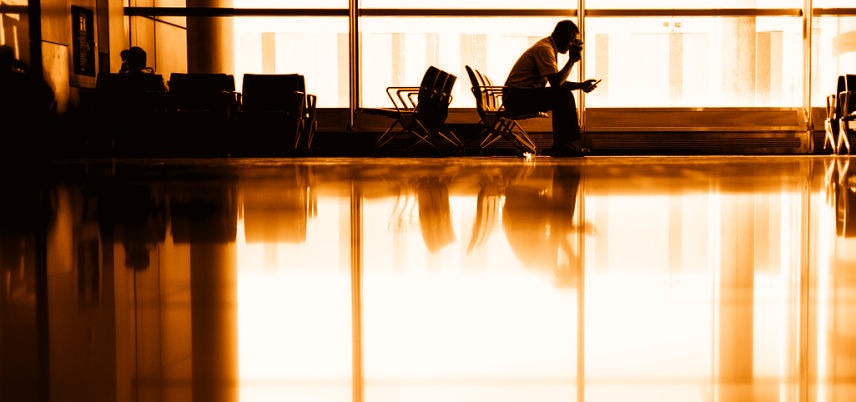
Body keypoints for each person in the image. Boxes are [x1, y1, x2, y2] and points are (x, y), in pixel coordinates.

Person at [503, 20, 599, 157]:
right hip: (516, 97)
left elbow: (557, 83)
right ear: (561, 37)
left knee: (562, 95)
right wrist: (571, 60)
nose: (572, 44)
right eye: (571, 40)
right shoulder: (545, 49)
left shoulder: (548, 47)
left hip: (517, 95)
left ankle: (563, 145)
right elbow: (556, 83)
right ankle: (565, 145)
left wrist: (581, 85)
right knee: (563, 96)